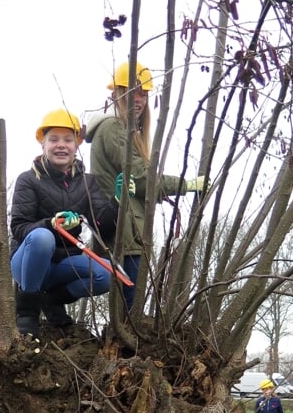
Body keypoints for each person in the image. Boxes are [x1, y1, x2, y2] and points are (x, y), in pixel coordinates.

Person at [86, 64, 208, 308]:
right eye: (131, 91)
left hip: (132, 232)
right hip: (125, 232)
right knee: (130, 311)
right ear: (116, 94)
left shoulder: (126, 131)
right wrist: (187, 184)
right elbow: (141, 178)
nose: (138, 99)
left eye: (143, 93)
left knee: (130, 309)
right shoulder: (113, 128)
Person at [8, 109, 117, 337]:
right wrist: (50, 224)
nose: (61, 145)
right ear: (43, 144)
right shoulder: (28, 180)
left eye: (68, 140)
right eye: (54, 139)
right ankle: (27, 312)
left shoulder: (87, 182)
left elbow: (102, 226)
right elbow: (18, 228)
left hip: (62, 263)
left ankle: (52, 301)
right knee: (42, 237)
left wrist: (117, 202)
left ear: (76, 145)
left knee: (107, 275)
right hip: (28, 262)